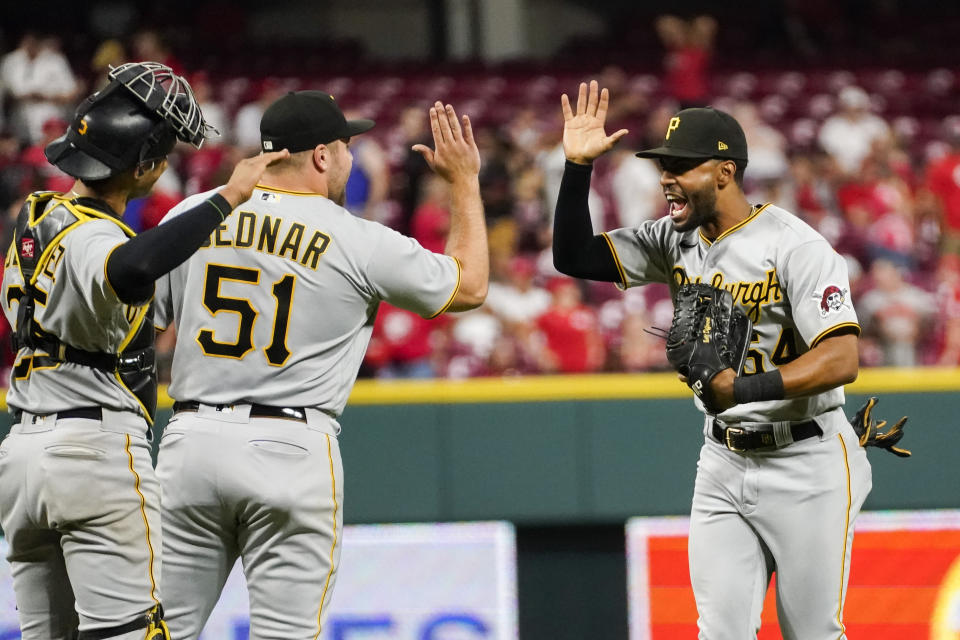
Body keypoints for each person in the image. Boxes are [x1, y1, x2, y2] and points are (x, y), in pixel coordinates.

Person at [153, 91, 488, 638]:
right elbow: (469, 284)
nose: (352, 158)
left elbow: (140, 320)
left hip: (191, 439)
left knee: (156, 630)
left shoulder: (196, 212)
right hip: (291, 444)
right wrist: (464, 182)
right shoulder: (354, 237)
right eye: (346, 146)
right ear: (322, 156)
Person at [552, 81, 870, 639]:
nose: (666, 178)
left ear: (724, 171)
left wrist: (740, 391)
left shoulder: (795, 245)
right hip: (722, 460)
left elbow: (843, 357)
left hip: (808, 458)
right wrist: (577, 168)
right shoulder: (674, 238)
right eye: (663, 165)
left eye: (681, 166)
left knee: (812, 633)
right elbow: (573, 255)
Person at [0, 61, 288, 640]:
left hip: (22, 457)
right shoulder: (95, 237)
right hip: (92, 455)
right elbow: (130, 267)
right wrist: (228, 197)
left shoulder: (33, 218)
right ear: (144, 166)